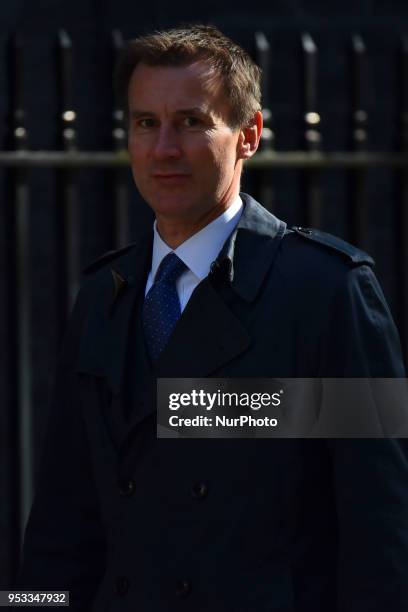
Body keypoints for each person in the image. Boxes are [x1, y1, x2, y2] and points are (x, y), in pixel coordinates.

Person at [17, 24, 408, 612]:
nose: (163, 148)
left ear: (248, 135)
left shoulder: (327, 290)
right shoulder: (104, 293)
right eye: (146, 123)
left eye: (191, 122)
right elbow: (58, 528)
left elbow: (383, 531)